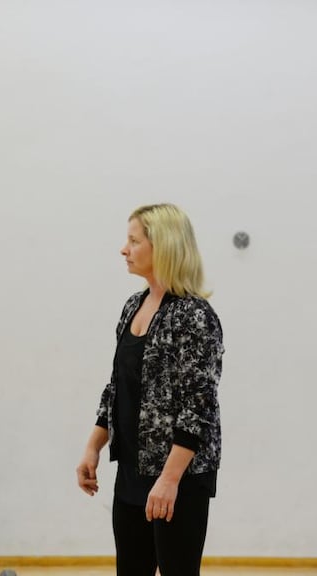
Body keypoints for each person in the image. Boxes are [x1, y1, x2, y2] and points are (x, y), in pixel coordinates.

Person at [75, 204, 223, 576]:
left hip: (179, 478)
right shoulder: (132, 307)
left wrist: (169, 480)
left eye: (133, 240)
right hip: (132, 472)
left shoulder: (194, 316)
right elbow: (116, 387)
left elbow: (197, 407)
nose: (124, 249)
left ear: (164, 246)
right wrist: (93, 446)